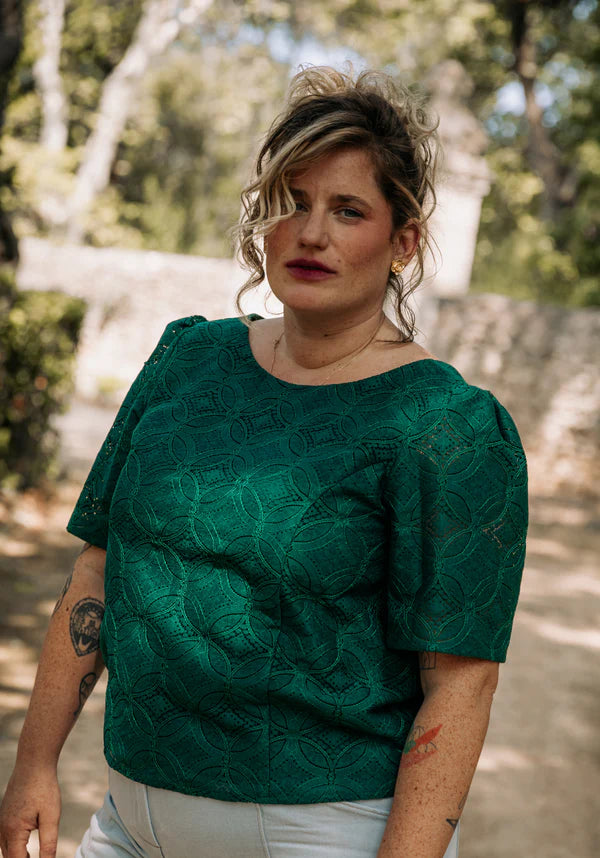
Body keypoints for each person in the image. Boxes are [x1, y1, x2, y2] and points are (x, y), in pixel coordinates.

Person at [0, 66, 528, 858]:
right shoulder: (187, 360)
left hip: (324, 836)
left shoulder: (447, 425)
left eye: (348, 210)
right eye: (292, 202)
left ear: (403, 242)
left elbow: (460, 682)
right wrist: (34, 764)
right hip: (128, 823)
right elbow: (96, 573)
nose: (312, 233)